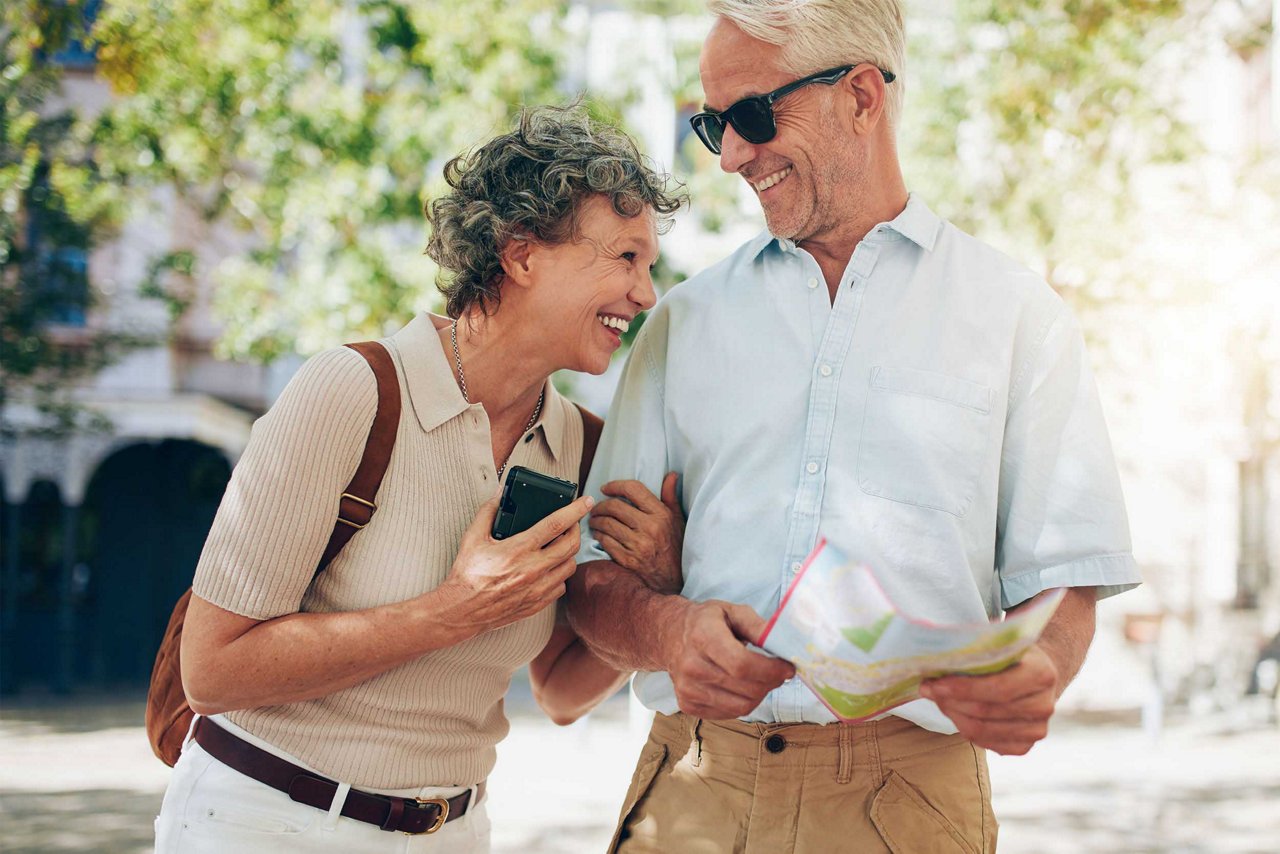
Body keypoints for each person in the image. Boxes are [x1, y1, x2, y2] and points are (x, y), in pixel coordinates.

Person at [568, 2, 1143, 851]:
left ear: (863, 97)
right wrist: (664, 630)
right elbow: (591, 584)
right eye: (713, 124)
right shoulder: (682, 324)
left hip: (908, 804)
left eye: (754, 116)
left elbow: (1064, 583)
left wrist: (1040, 671)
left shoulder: (1019, 317)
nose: (730, 155)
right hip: (692, 789)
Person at [153, 105, 686, 853]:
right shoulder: (353, 391)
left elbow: (562, 690)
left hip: (454, 831)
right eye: (626, 258)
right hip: (268, 821)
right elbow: (210, 670)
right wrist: (451, 612)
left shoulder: (580, 448)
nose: (646, 294)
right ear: (522, 255)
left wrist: (657, 583)